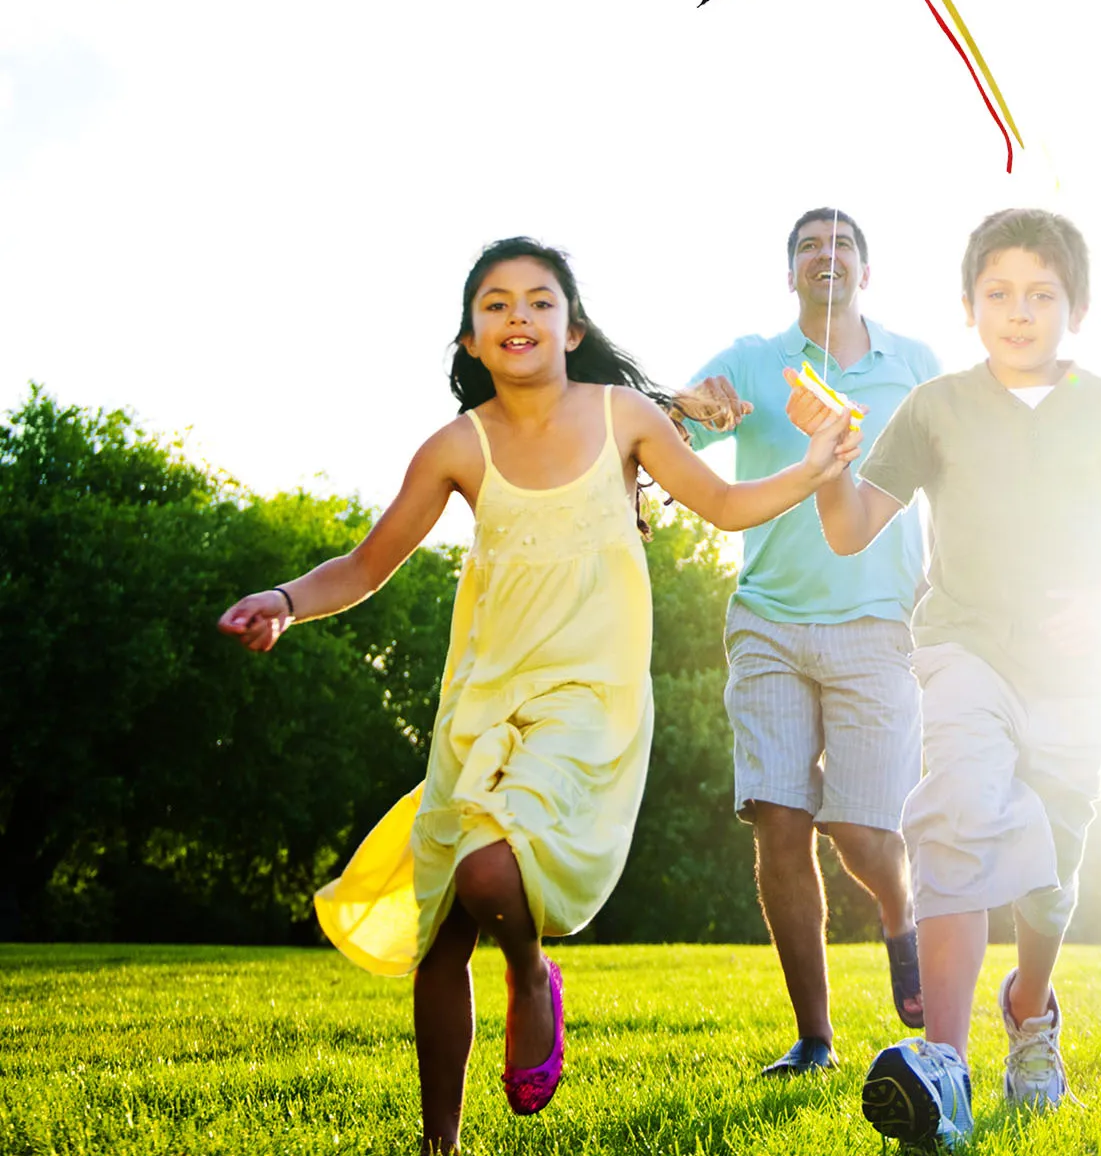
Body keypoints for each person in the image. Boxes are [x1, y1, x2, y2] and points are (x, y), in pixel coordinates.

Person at [216, 237, 857, 1153]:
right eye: (496, 305)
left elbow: (720, 504)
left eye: (539, 301)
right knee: (440, 932)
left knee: (488, 873)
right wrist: (284, 602)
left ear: (573, 327)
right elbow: (364, 566)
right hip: (481, 697)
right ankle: (441, 1140)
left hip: (585, 700)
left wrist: (809, 470)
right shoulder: (455, 447)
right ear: (471, 341)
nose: (518, 316)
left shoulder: (624, 416)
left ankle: (527, 973)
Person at [787, 207, 1101, 1148]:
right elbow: (847, 528)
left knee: (1050, 881)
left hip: (1078, 673)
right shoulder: (936, 408)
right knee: (954, 812)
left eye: (1041, 293)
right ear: (968, 305)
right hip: (963, 648)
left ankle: (1029, 1009)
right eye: (998, 292)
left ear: (1076, 304)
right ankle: (944, 1067)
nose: (1020, 310)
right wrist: (827, 462)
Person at [683, 207, 940, 1074]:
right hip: (769, 623)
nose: (824, 256)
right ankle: (815, 1040)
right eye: (808, 247)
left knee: (864, 833)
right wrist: (692, 404)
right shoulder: (753, 361)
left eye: (841, 246)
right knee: (780, 823)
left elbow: (956, 476)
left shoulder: (912, 366)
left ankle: (900, 910)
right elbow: (672, 424)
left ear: (865, 271)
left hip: (878, 625)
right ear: (789, 271)